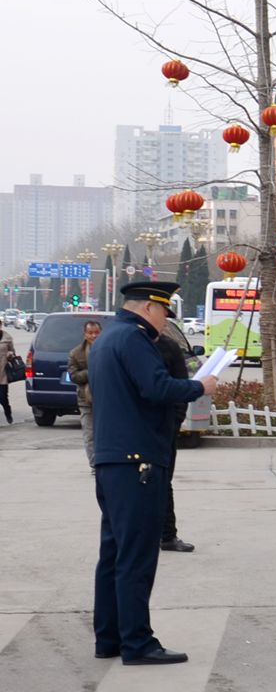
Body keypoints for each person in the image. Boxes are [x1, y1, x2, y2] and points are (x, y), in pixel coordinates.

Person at [89, 281, 215, 664]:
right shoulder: (133, 339)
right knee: (137, 557)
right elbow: (156, 387)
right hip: (138, 460)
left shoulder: (109, 337)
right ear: (147, 308)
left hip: (114, 459)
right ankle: (137, 642)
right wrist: (199, 385)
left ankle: (110, 637)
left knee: (114, 553)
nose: (165, 322)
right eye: (163, 313)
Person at [152, 317, 196, 553]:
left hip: (165, 428)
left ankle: (167, 535)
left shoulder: (169, 348)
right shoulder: (131, 346)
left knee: (163, 482)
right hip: (134, 430)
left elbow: (182, 386)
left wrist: (175, 420)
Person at [68, 320, 102, 465]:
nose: (94, 336)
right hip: (86, 399)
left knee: (106, 434)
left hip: (107, 399)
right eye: (90, 333)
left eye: (96, 333)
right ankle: (94, 464)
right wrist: (91, 372)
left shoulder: (109, 349)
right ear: (85, 334)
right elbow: (74, 376)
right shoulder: (76, 353)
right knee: (89, 435)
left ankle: (106, 462)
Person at [0, 321, 17, 422]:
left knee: (3, 398)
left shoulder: (7, 338)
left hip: (2, 373)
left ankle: (8, 413)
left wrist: (10, 354)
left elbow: (13, 352)